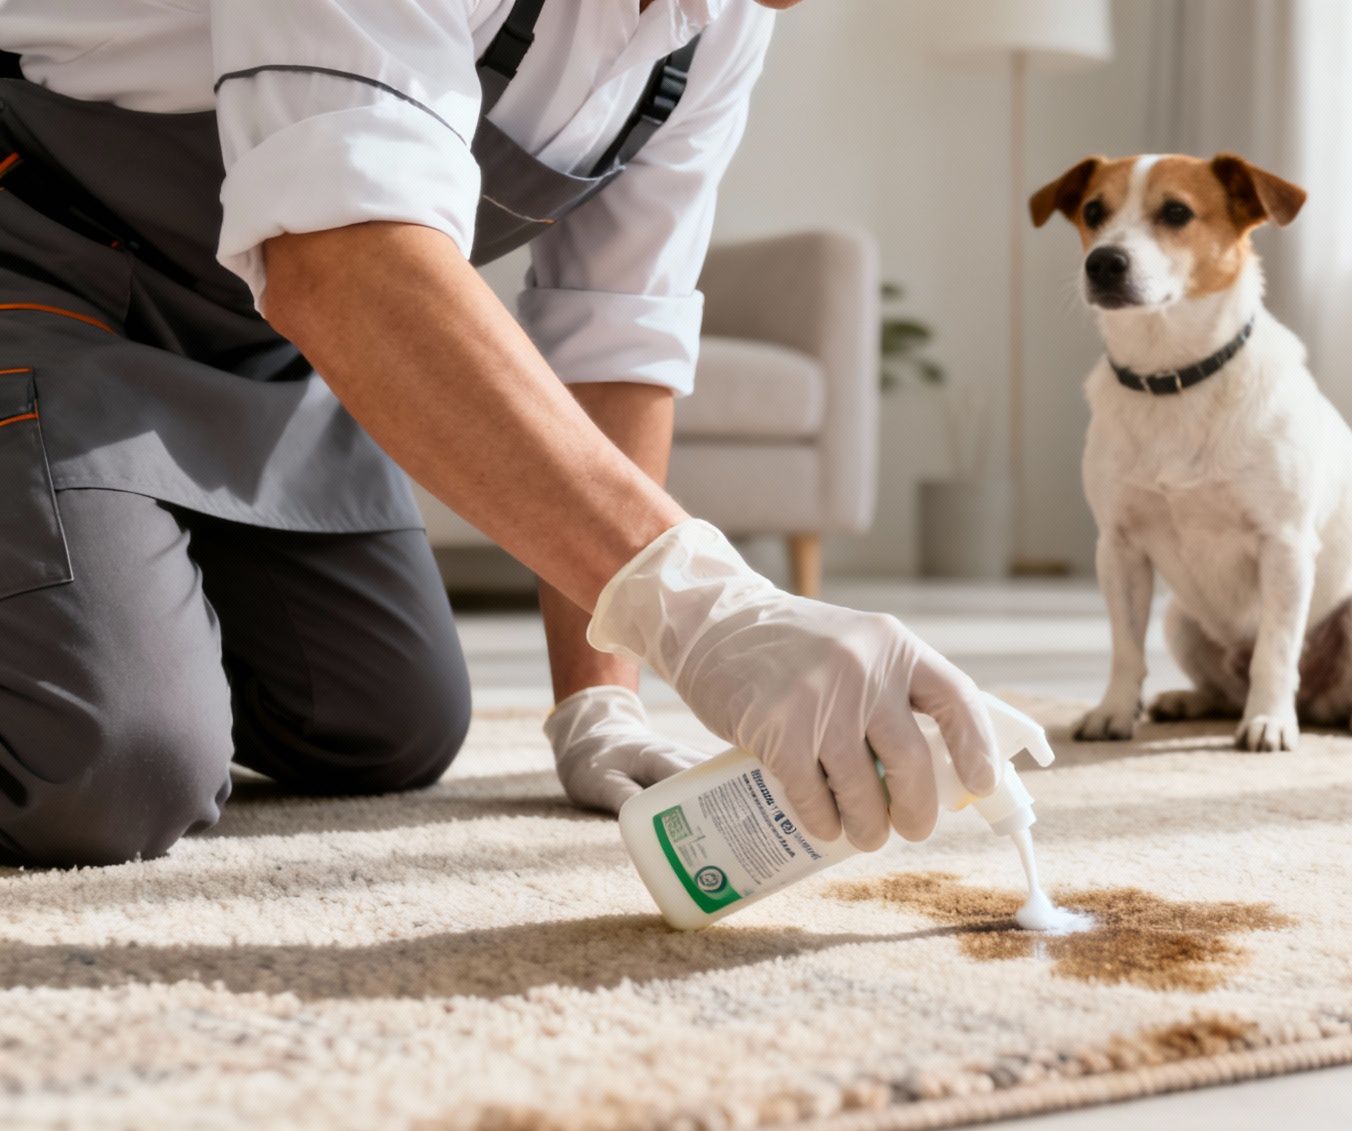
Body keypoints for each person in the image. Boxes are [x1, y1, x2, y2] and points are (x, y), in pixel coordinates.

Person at [0, 0, 998, 868]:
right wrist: (706, 609)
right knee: (110, 768)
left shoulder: (716, 24)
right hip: (42, 265)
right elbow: (339, 257)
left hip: (261, 349)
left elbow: (615, 331)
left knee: (383, 727)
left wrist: (600, 701)